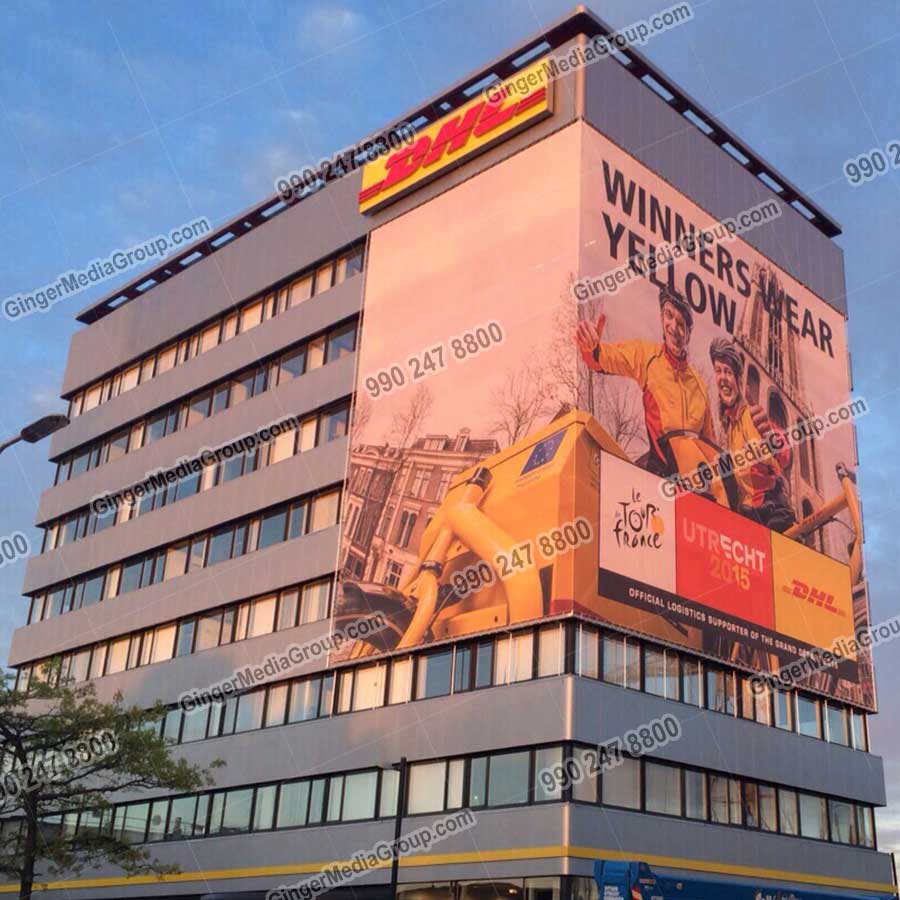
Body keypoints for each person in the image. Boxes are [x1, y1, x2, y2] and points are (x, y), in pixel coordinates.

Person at [575, 287, 717, 479]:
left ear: (689, 334)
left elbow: (711, 448)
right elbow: (604, 359)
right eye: (669, 316)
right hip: (660, 477)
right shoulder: (646, 356)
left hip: (696, 485)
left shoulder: (700, 386)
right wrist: (591, 350)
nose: (674, 327)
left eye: (681, 324)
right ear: (661, 319)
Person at [708, 337, 795, 532]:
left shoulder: (750, 415)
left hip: (770, 512)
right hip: (749, 515)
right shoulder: (731, 429)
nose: (723, 378)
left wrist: (772, 439)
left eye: (728, 372)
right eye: (718, 371)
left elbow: (782, 453)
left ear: (739, 380)